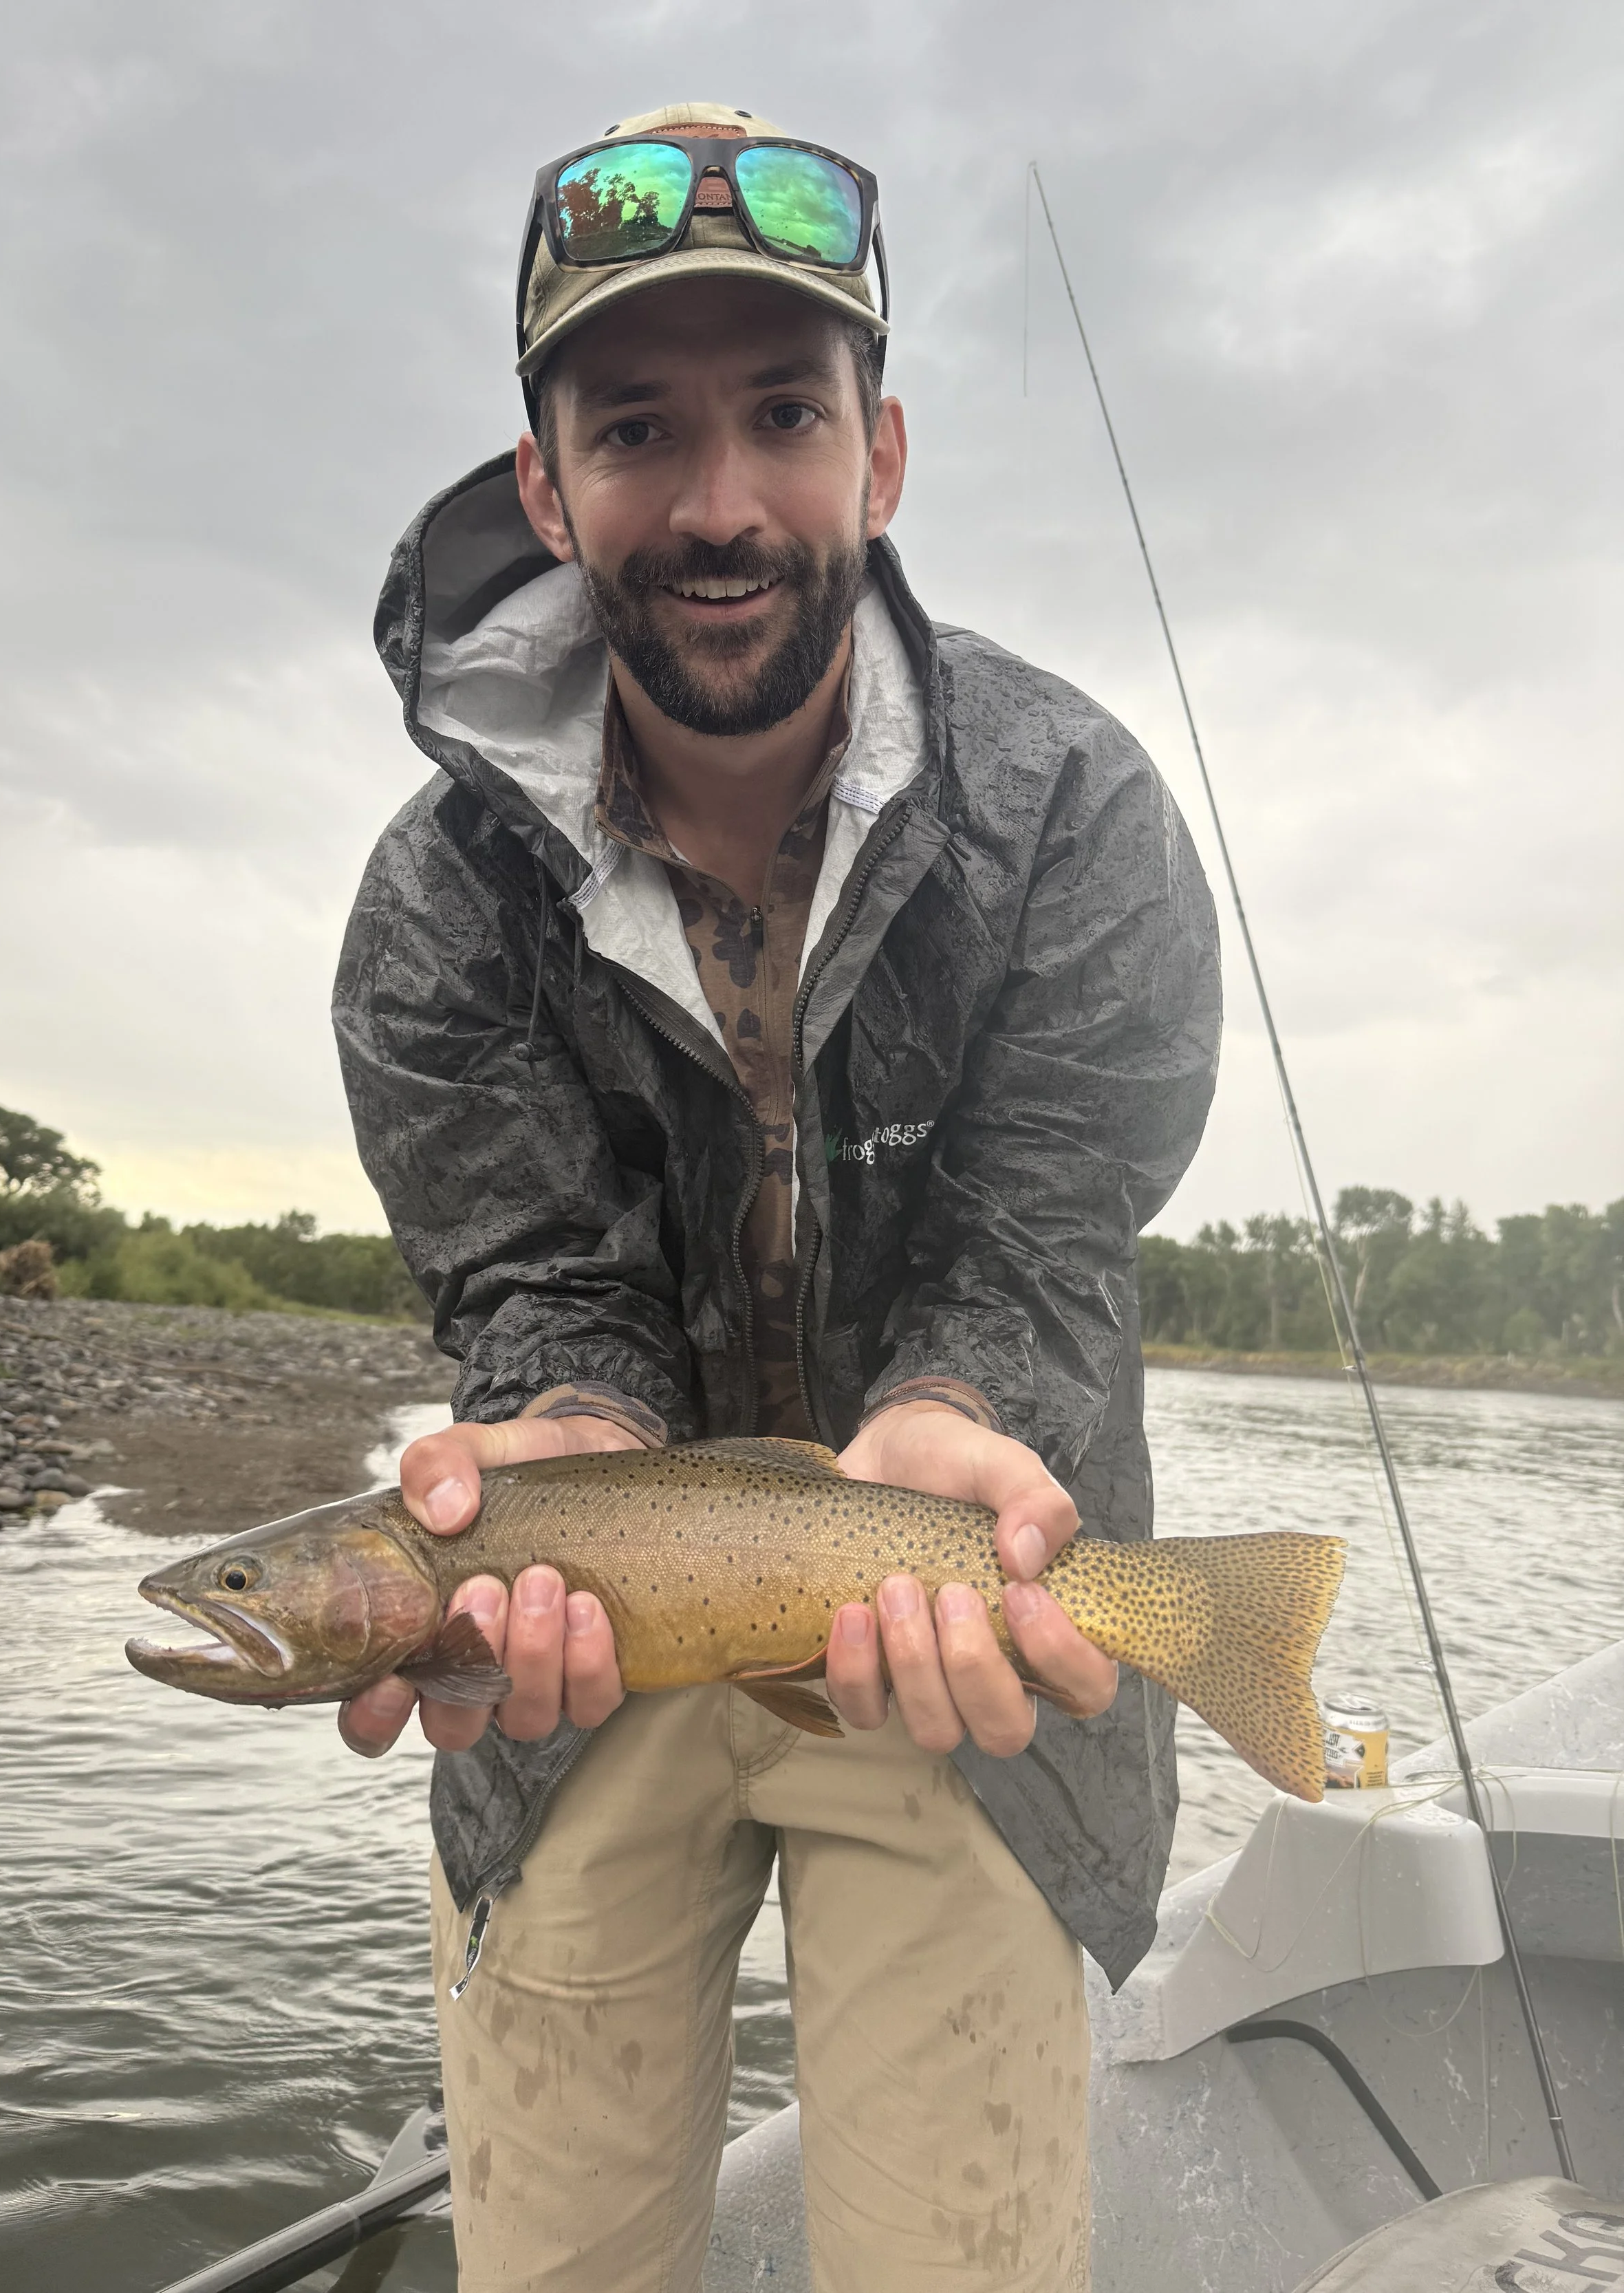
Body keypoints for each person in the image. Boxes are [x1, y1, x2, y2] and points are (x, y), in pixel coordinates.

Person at [332, 100, 1221, 2293]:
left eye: (783, 416)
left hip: (969, 1643)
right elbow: (545, 1304)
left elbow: (1038, 1242)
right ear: (545, 486)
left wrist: (963, 1417)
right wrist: (555, 1429)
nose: (718, 502)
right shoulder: (434, 908)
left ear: (880, 454)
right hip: (580, 1654)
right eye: (636, 427)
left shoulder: (1076, 818)